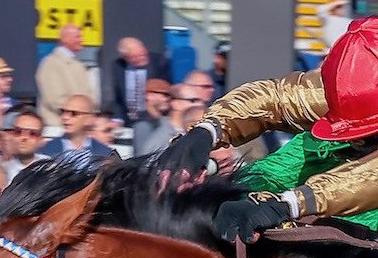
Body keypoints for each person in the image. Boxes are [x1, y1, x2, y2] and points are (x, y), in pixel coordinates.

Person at [157, 21, 378, 241]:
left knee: (340, 234)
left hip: (368, 184)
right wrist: (207, 131)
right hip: (331, 144)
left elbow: (369, 179)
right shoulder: (353, 76)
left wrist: (288, 204)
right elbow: (275, 98)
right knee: (246, 187)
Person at [35, 24, 97, 127]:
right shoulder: (51, 63)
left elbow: (89, 96)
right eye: (78, 37)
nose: (82, 40)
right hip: (58, 127)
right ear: (65, 39)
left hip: (80, 127)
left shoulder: (79, 65)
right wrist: (82, 115)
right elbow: (55, 100)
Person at [37, 94, 119, 167]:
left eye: (73, 113)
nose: (65, 117)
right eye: (63, 112)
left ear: (89, 119)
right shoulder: (45, 151)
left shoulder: (105, 154)